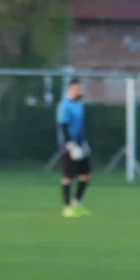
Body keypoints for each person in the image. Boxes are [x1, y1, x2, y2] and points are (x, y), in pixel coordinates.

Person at [57, 77, 92, 218]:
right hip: (68, 147)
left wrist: (84, 143)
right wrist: (70, 145)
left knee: (85, 175)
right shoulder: (64, 106)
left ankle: (76, 203)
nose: (80, 91)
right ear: (70, 89)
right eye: (77, 88)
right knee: (68, 176)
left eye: (80, 88)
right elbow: (63, 127)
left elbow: (81, 127)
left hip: (80, 144)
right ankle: (66, 208)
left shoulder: (79, 105)